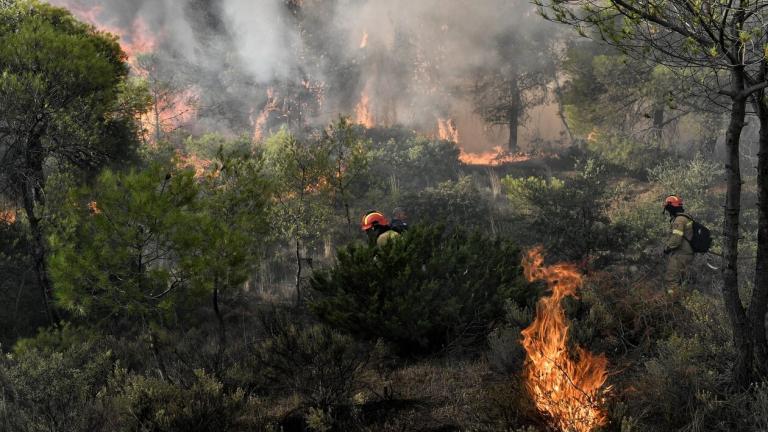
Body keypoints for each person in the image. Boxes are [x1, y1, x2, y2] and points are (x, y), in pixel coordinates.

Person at [662, 195, 694, 297]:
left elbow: (676, 240)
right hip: (687, 254)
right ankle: (684, 301)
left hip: (680, 255)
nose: (668, 211)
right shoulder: (686, 218)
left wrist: (666, 248)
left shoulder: (679, 220)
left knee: (671, 280)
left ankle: (674, 304)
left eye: (668, 209)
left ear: (671, 208)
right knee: (682, 280)